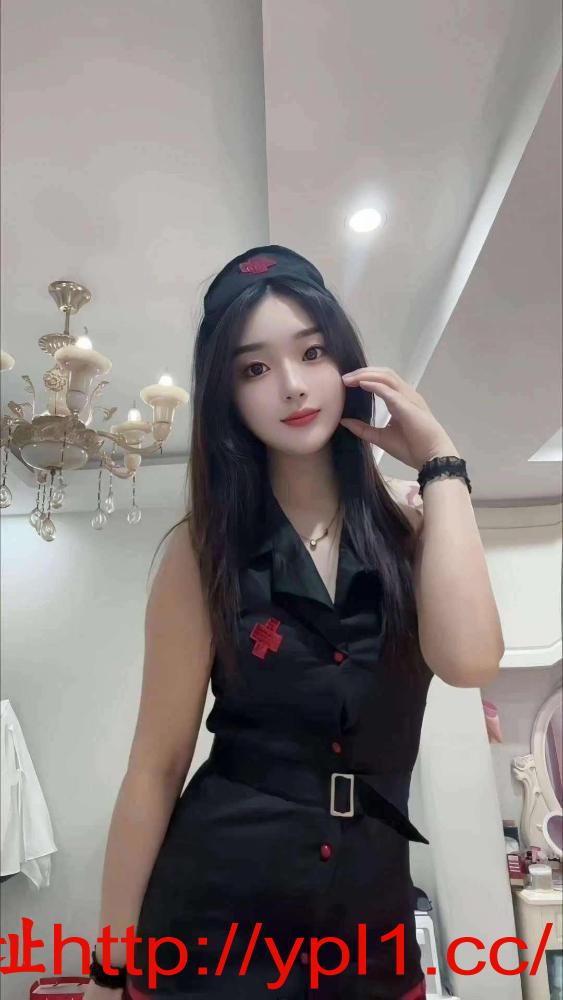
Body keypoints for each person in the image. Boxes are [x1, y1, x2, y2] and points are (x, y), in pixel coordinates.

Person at [85, 244, 476, 999]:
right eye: (254, 368)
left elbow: (469, 662)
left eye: (312, 352)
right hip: (212, 930)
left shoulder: (419, 527)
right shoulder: (202, 552)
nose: (292, 385)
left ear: (346, 364)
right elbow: (156, 767)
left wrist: (442, 463)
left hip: (368, 929)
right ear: (227, 396)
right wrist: (108, 968)